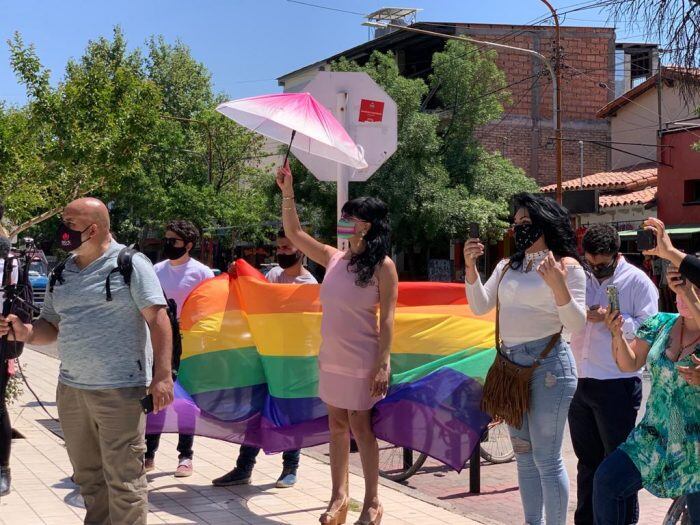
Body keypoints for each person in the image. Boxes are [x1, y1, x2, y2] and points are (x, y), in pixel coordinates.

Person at [0, 198, 174, 525]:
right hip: (71, 390)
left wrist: (162, 376)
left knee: (124, 480)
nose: (62, 230)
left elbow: (159, 320)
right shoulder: (63, 271)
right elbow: (49, 327)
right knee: (89, 478)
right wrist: (23, 331)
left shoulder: (130, 264)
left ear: (93, 228)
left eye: (69, 222)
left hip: (121, 390)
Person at [276, 161, 398, 525]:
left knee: (362, 428)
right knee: (336, 426)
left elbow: (389, 317)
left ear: (367, 225)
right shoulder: (333, 257)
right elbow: (294, 233)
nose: (343, 222)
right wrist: (287, 192)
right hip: (331, 355)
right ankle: (338, 498)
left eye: (350, 217)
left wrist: (383, 361)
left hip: (363, 358)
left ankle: (373, 501)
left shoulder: (383, 266)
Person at [464, 192, 586, 525]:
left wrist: (559, 286)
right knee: (524, 458)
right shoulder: (507, 266)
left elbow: (576, 323)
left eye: (526, 223)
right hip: (511, 367)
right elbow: (480, 306)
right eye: (516, 223)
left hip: (549, 367)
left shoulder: (567, 267)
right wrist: (470, 268)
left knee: (547, 459)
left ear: (546, 225)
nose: (518, 229)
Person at [568, 224, 658, 525]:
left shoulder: (637, 282)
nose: (596, 270)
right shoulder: (584, 278)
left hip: (618, 384)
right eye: (590, 263)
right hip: (582, 381)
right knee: (587, 464)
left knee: (618, 467)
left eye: (602, 265)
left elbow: (651, 327)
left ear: (616, 255)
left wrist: (616, 320)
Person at [212, 228, 317, 489]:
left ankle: (290, 468)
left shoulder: (309, 285)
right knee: (257, 412)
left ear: (300, 251)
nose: (281, 252)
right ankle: (243, 468)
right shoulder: (272, 276)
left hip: (295, 361)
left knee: (292, 413)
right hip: (267, 356)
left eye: (286, 248)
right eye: (279, 247)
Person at [595, 267, 700, 524]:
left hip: (696, 447)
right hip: (654, 436)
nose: (684, 294)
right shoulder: (660, 323)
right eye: (682, 287)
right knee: (608, 481)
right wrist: (617, 334)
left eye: (694, 288)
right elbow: (629, 364)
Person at [146, 220, 214, 477]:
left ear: (188, 245)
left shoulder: (202, 273)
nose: (167, 244)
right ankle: (149, 454)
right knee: (157, 395)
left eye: (173, 240)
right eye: (166, 239)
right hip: (160, 341)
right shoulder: (155, 269)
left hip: (190, 343)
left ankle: (185, 456)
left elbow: (210, 309)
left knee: (186, 401)